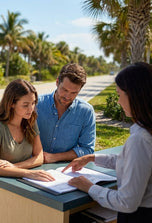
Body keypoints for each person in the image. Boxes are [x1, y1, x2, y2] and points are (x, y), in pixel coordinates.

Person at [62, 62, 152, 223]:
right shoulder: (144, 133)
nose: (118, 102)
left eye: (119, 95)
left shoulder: (140, 140)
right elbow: (132, 162)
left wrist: (89, 187)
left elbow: (126, 202)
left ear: (134, 95)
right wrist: (92, 158)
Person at [0, 79, 55, 223]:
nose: (31, 109)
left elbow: (39, 156)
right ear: (11, 104)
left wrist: (14, 166)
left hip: (15, 192)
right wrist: (30, 173)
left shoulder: (31, 122)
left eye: (33, 103)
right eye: (25, 105)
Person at [37, 63, 96, 163]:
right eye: (64, 90)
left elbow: (87, 149)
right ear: (57, 82)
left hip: (64, 169)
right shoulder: (36, 105)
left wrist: (54, 157)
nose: (67, 96)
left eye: (74, 93)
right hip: (32, 165)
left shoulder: (86, 111)